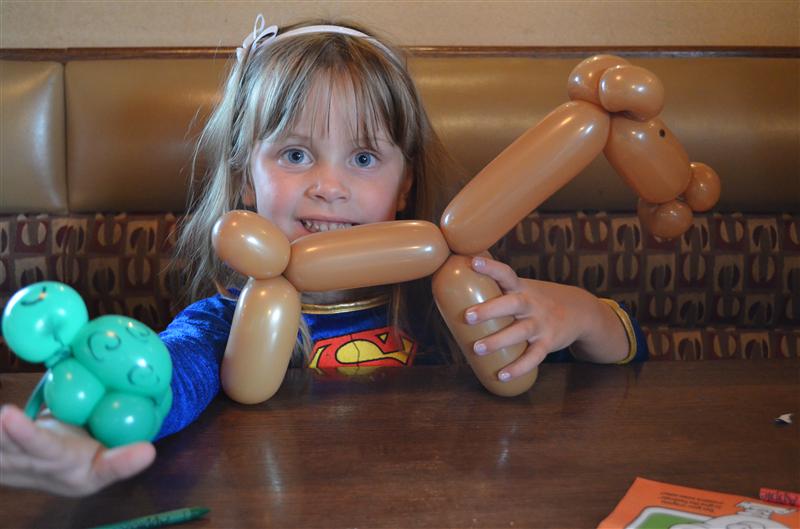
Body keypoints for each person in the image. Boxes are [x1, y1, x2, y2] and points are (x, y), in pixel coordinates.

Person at [0, 16, 648, 497]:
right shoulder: (224, 322)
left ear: (404, 186)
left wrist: (581, 313)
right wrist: (78, 431)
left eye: (363, 158)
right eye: (295, 154)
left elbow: (623, 353)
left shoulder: (451, 301)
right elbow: (172, 378)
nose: (328, 186)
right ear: (246, 179)